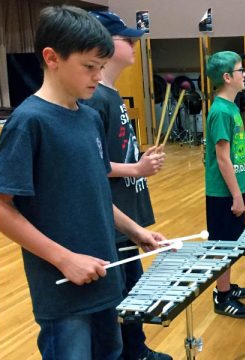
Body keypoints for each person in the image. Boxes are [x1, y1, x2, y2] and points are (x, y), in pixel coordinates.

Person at [0, 5, 165, 359]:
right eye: (89, 66)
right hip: (64, 293)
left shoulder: (89, 118)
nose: (96, 76)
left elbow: (96, 192)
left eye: (100, 67)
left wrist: (137, 232)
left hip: (105, 281)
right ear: (52, 58)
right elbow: (1, 207)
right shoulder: (29, 122)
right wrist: (64, 259)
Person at [85, 11, 171, 360]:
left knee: (134, 290)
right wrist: (136, 166)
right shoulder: (94, 98)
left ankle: (137, 349)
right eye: (126, 39)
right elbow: (92, 165)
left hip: (125, 221)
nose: (134, 43)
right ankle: (128, 352)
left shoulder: (110, 93)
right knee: (119, 297)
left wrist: (139, 159)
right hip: (110, 219)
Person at [205, 51, 245, 318]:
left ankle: (227, 285)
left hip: (233, 190)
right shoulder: (220, 111)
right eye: (240, 70)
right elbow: (223, 158)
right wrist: (235, 195)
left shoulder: (232, 107)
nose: (244, 74)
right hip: (221, 193)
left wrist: (242, 188)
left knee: (233, 242)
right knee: (222, 245)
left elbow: (237, 155)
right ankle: (221, 296)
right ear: (227, 77)